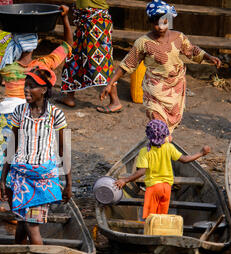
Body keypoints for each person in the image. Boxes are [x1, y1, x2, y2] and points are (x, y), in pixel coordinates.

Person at [0, 6, 73, 210]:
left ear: (15, 43)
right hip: (36, 118)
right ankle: (32, 199)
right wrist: (64, 19)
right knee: (32, 156)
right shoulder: (42, 66)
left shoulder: (6, 65)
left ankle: (12, 203)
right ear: (34, 44)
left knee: (7, 159)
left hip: (9, 118)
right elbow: (67, 45)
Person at [100, 0, 221, 139]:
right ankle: (160, 151)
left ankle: (161, 153)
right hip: (154, 92)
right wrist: (110, 83)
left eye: (164, 22)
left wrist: (209, 57)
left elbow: (192, 51)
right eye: (156, 23)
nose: (160, 27)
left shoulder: (178, 37)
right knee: (159, 129)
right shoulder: (143, 43)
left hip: (175, 90)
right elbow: (128, 64)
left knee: (167, 131)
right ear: (150, 23)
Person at [0, 67, 72, 245]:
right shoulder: (20, 111)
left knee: (32, 225)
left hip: (42, 178)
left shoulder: (56, 114)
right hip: (21, 177)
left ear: (44, 90)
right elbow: (12, 145)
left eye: (31, 86)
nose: (26, 90)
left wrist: (69, 183)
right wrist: (2, 179)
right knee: (22, 222)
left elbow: (63, 150)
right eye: (26, 86)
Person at [115, 120, 210, 220]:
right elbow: (185, 159)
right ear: (164, 136)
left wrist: (125, 180)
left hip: (153, 188)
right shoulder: (169, 147)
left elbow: (141, 171)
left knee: (150, 218)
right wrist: (201, 153)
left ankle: (150, 233)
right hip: (167, 188)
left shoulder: (145, 151)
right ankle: (160, 233)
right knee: (161, 217)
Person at [59, 0, 122, 113]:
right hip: (84, 19)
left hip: (97, 21)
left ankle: (115, 101)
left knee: (101, 61)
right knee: (75, 56)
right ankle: (69, 96)